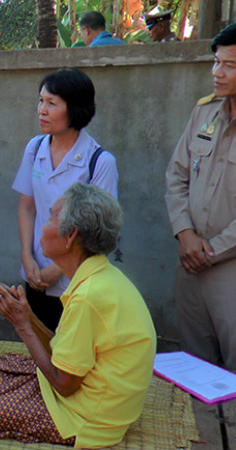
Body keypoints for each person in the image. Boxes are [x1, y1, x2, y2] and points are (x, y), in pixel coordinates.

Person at [0, 183, 155, 448]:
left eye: (50, 218)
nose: (42, 228)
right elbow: (64, 353)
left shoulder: (89, 296)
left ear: (70, 236)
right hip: (95, 397)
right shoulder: (101, 277)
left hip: (87, 419)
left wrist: (23, 326)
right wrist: (26, 316)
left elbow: (64, 384)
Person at [12, 68, 118, 332]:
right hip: (35, 274)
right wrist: (27, 257)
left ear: (75, 109)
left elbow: (96, 232)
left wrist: (57, 268)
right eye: (40, 101)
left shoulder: (99, 162)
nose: (41, 110)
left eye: (52, 103)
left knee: (70, 358)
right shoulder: (34, 148)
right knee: (38, 351)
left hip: (76, 282)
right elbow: (27, 208)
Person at [165, 22, 236, 371]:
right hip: (190, 262)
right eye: (216, 62)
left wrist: (212, 250)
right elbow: (176, 176)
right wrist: (185, 234)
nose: (217, 73)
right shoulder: (204, 112)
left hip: (229, 267)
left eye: (229, 65)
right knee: (194, 369)